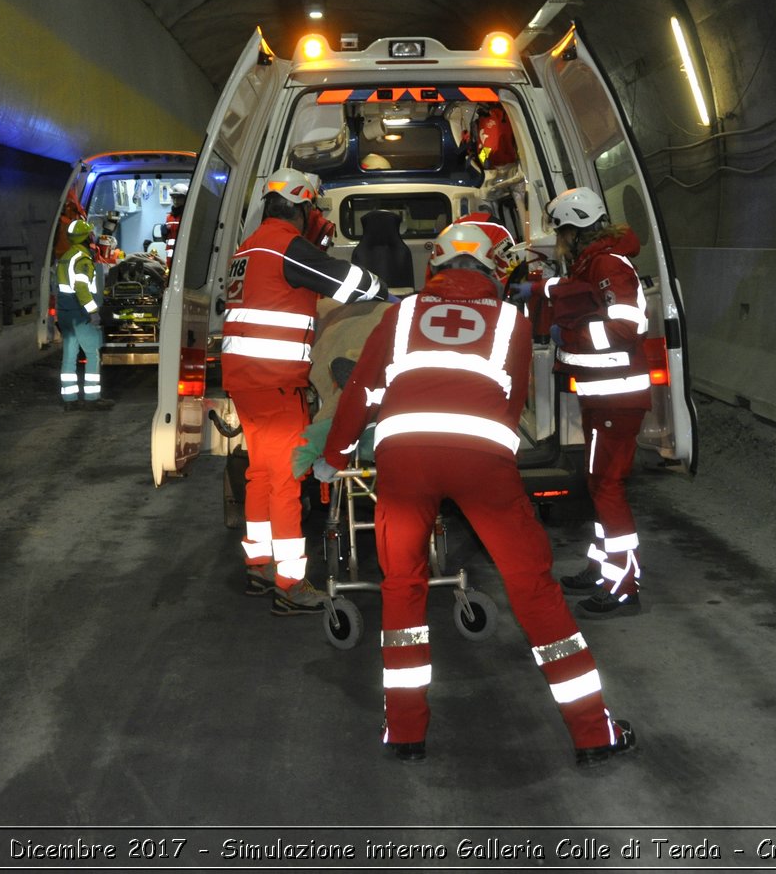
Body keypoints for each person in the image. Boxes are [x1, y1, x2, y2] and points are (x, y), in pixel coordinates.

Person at [315, 221, 635, 764]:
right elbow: (510, 404)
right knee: (533, 589)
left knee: (403, 587)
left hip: (403, 458)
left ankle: (406, 732)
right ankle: (592, 734)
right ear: (497, 268)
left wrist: (333, 458)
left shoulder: (401, 314)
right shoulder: (511, 320)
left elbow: (361, 391)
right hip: (483, 462)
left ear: (435, 266)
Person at [222, 166, 389, 615]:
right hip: (274, 383)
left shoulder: (248, 246)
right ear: (301, 207)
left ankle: (258, 564)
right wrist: (381, 289)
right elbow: (349, 283)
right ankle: (290, 584)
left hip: (245, 380)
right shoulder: (285, 245)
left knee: (260, 473)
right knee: (285, 481)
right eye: (312, 208)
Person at [532, 187, 654, 617]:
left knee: (607, 487)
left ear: (574, 228)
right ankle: (602, 568)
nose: (559, 241)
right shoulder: (593, 263)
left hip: (616, 398)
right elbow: (576, 296)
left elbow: (626, 325)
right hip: (604, 396)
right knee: (601, 484)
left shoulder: (607, 264)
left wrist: (575, 336)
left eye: (561, 231)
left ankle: (623, 586)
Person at [55, 218, 109, 409]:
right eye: (91, 234)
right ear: (86, 237)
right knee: (92, 354)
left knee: (69, 355)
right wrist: (93, 311)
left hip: (65, 313)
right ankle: (92, 398)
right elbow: (81, 288)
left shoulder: (66, 256)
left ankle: (69, 400)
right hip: (80, 314)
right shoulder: (82, 259)